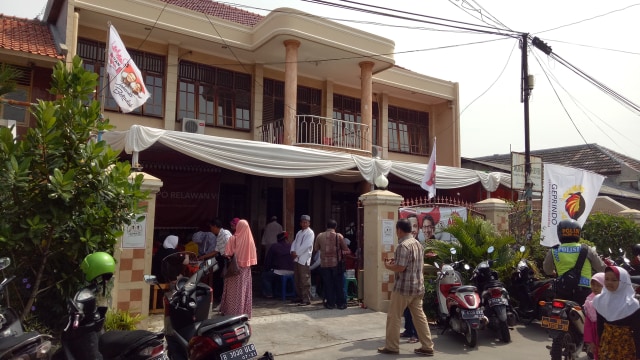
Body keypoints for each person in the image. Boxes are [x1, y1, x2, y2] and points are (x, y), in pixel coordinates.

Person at [378, 218, 434, 356]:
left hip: (403, 288)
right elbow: (411, 264)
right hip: (418, 287)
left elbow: (401, 267)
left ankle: (392, 346)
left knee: (394, 317)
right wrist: (395, 262)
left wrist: (388, 266)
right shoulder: (417, 244)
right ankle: (428, 346)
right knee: (419, 317)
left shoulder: (402, 246)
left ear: (399, 230)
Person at [543, 219, 605, 304]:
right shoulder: (586, 249)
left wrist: (553, 272)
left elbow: (547, 270)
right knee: (591, 315)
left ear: (560, 233)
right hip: (584, 290)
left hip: (563, 289)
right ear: (578, 233)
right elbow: (601, 268)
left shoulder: (554, 250)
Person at [593, 266, 640, 360]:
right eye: (606, 279)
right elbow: (600, 326)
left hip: (626, 348)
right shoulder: (600, 300)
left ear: (623, 282)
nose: (609, 282)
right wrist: (598, 345)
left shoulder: (631, 305)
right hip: (606, 346)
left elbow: (637, 331)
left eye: (614, 280)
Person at [220, 219, 257, 318]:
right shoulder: (250, 240)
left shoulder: (233, 239)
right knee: (244, 290)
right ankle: (243, 312)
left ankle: (231, 312)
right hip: (246, 270)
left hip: (234, 269)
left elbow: (227, 254)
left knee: (233, 291)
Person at [313, 219, 350, 310]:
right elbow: (345, 248)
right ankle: (341, 304)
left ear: (326, 226)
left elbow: (316, 248)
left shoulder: (320, 236)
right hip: (336, 264)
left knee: (328, 284)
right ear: (335, 227)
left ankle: (330, 304)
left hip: (324, 264)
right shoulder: (339, 236)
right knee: (338, 284)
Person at [199, 218, 232, 308]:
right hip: (221, 258)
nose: (210, 229)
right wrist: (203, 257)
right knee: (217, 278)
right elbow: (216, 250)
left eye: (211, 227)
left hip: (227, 259)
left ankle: (224, 300)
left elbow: (231, 248)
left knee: (223, 279)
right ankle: (220, 297)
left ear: (215, 226)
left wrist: (228, 258)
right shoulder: (219, 235)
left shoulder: (225, 234)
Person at [261, 231, 295, 298]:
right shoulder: (291, 246)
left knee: (265, 276)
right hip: (292, 271)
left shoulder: (274, 246)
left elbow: (268, 261)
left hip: (278, 272)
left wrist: (266, 269)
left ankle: (268, 294)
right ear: (286, 239)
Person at [290, 215, 315, 306]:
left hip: (304, 258)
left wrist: (297, 253)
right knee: (297, 279)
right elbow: (294, 242)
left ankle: (306, 299)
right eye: (303, 222)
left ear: (309, 223)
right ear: (300, 223)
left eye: (306, 222)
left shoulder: (310, 233)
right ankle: (299, 296)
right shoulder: (299, 232)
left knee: (305, 279)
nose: (304, 224)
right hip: (297, 258)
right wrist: (292, 251)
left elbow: (307, 245)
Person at [584, 272, 605, 360]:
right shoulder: (589, 302)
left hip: (606, 336)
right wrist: (590, 341)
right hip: (595, 335)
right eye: (593, 285)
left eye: (599, 285)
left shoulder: (608, 301)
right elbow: (587, 324)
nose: (595, 288)